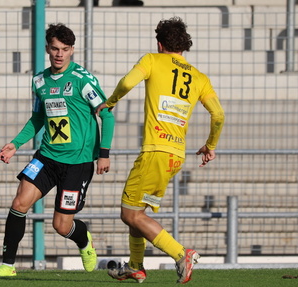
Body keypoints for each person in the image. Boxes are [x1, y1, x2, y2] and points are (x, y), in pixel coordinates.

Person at [95, 16, 224, 284]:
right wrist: (210, 145)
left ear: (159, 43)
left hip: (155, 152)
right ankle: (135, 266)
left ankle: (181, 253)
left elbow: (128, 82)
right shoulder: (199, 77)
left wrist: (111, 102)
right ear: (184, 46)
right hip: (176, 156)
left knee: (129, 213)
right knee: (137, 213)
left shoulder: (152, 60)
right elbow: (219, 115)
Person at [0, 23, 115, 277]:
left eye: (65, 49)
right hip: (46, 156)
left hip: (77, 162)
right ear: (47, 49)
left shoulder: (82, 80)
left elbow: (107, 116)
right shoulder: (39, 81)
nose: (59, 54)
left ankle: (84, 240)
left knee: (61, 225)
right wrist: (14, 144)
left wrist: (104, 154)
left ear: (72, 51)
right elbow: (37, 119)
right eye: (54, 48)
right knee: (20, 202)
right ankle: (7, 266)